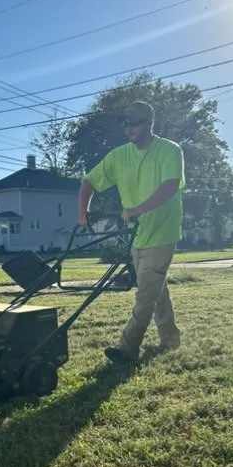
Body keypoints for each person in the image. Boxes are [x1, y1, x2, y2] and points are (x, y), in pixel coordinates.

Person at [77, 100, 185, 364]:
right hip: (137, 235)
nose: (129, 128)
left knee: (145, 292)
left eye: (134, 122)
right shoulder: (119, 156)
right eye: (125, 123)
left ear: (149, 123)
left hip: (163, 231)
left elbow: (170, 187)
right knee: (155, 288)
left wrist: (136, 209)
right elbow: (89, 180)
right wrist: (83, 213)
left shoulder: (169, 150)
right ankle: (171, 338)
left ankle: (127, 347)